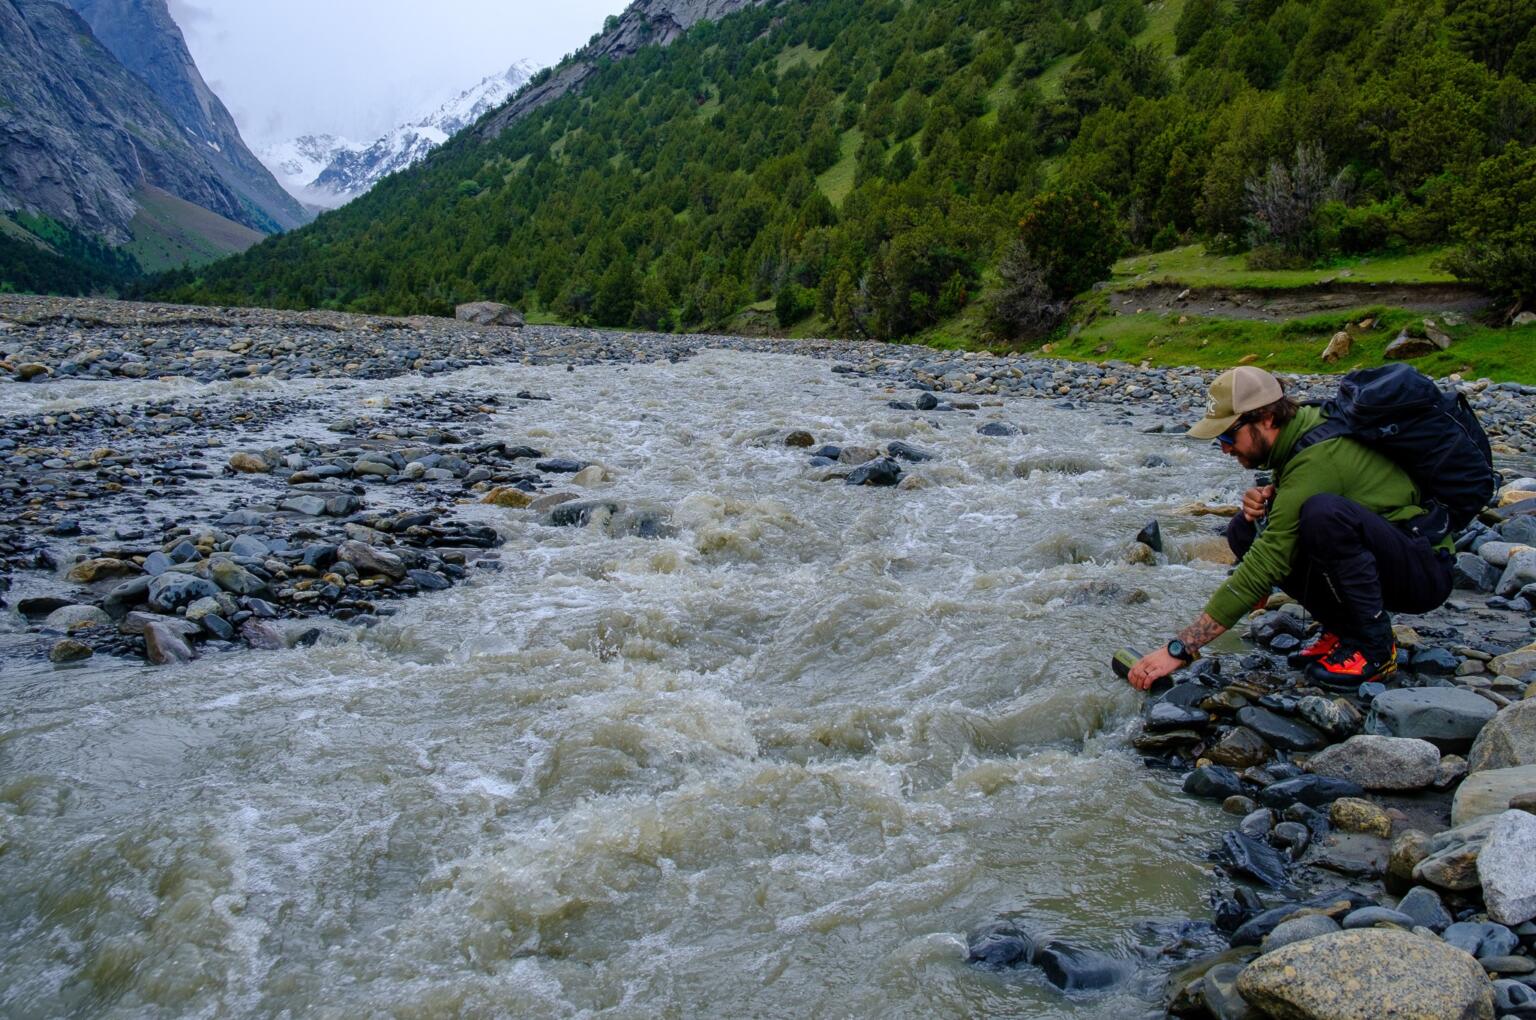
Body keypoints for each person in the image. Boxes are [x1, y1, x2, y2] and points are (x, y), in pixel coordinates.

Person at [1126, 365, 1454, 692]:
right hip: (1389, 553)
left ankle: (1375, 649)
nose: (1225, 448)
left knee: (1321, 515)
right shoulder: (1298, 433)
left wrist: (1181, 647)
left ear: (1267, 418)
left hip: (1423, 570)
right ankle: (1344, 630)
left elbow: (1269, 560)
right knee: (1245, 527)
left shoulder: (1316, 458)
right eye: (1219, 440)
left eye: (1228, 435)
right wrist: (1273, 501)